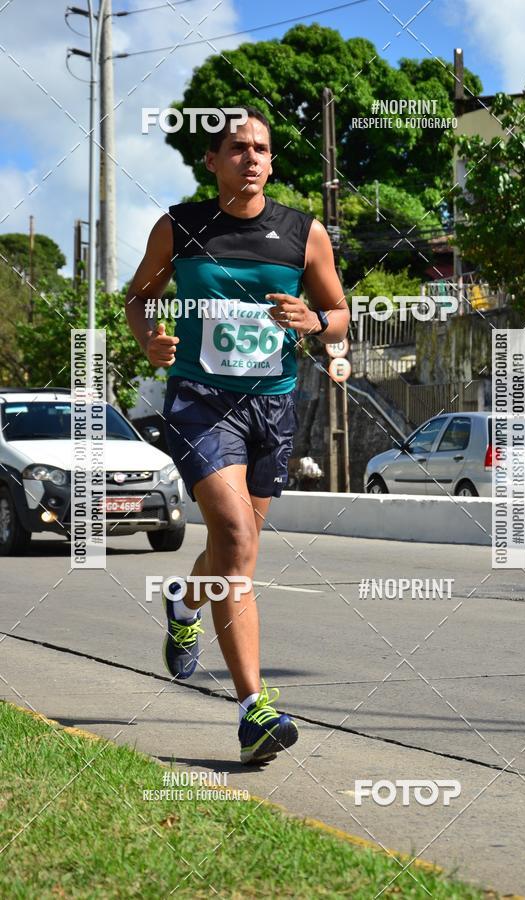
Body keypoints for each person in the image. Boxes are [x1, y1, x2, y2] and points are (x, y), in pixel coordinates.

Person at [125, 106, 349, 764]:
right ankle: (255, 710)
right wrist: (149, 339)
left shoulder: (303, 235)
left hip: (272, 411)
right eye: (238, 148)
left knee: (232, 554)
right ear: (213, 162)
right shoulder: (182, 227)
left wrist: (315, 320)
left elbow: (338, 315)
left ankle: (182, 601)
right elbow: (139, 296)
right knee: (238, 539)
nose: (252, 158)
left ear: (271, 163)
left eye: (262, 150)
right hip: (199, 404)